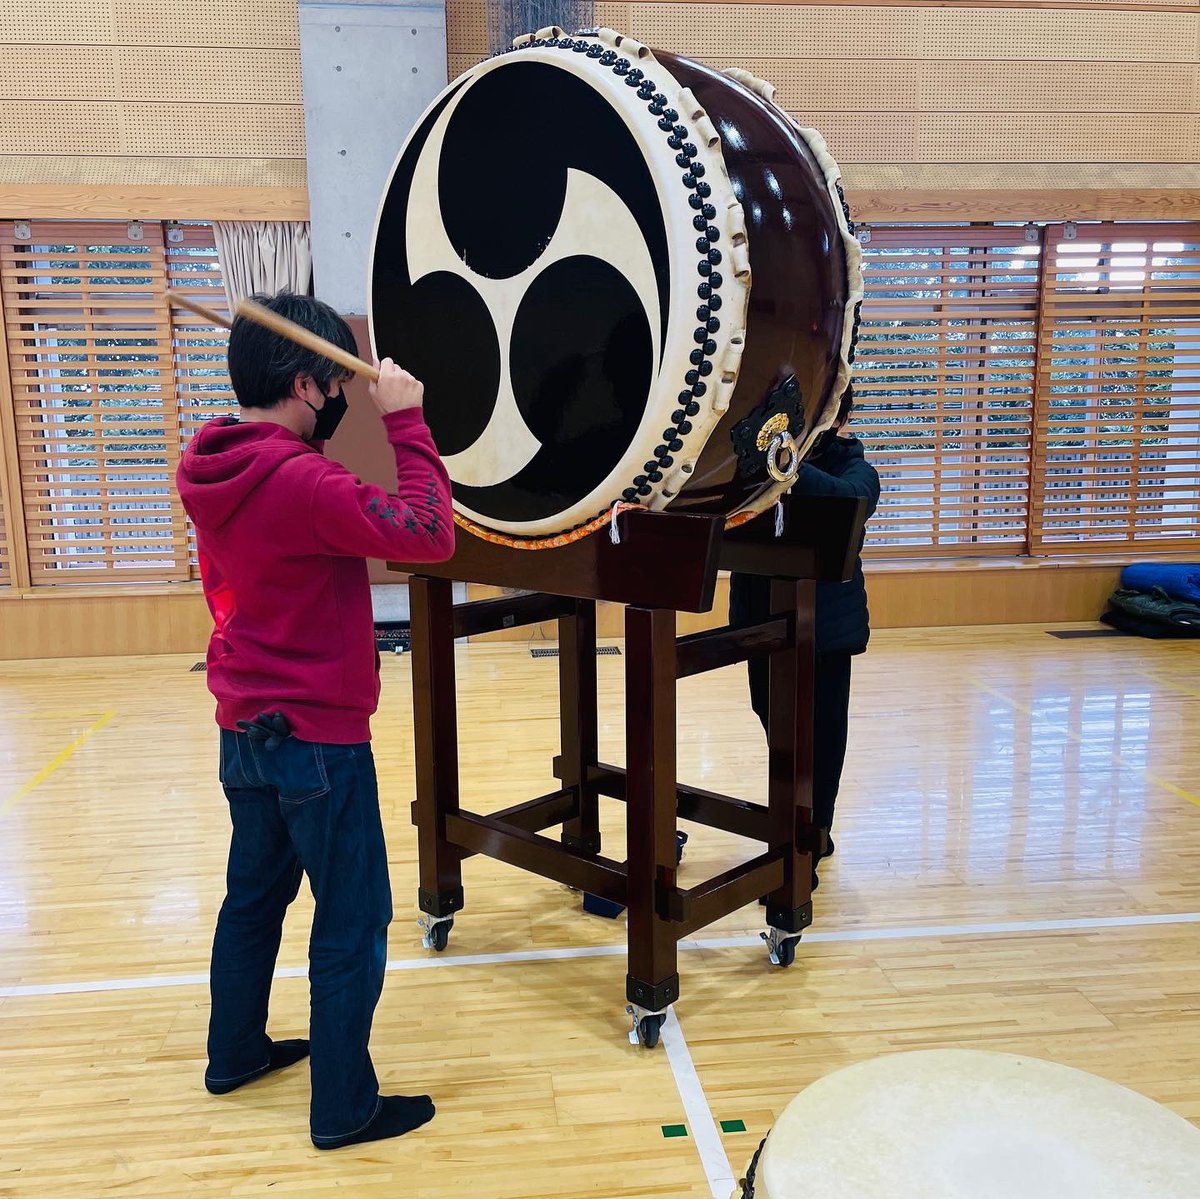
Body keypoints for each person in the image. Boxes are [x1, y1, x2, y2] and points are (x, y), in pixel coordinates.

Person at [176, 292, 455, 1150]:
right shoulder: (300, 480)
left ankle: (235, 1054)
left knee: (252, 902)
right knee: (352, 917)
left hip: (244, 727)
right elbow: (428, 531)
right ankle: (343, 1107)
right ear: (305, 384)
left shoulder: (210, 461)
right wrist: (405, 421)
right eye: (334, 384)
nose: (341, 398)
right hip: (317, 741)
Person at [728, 387, 880, 890]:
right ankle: (795, 826)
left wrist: (784, 465)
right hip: (762, 622)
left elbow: (849, 502)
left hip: (826, 633)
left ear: (840, 419)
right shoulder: (761, 463)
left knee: (820, 738)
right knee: (774, 721)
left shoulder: (854, 468)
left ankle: (812, 838)